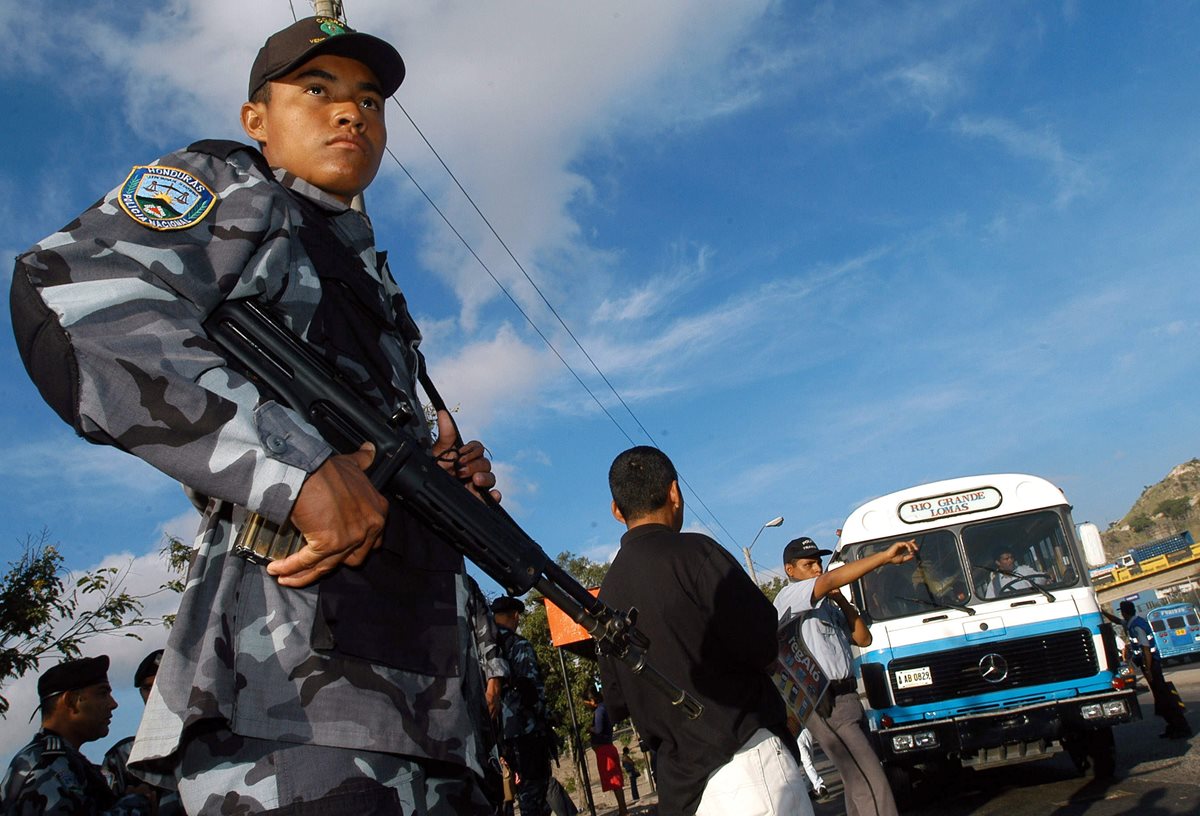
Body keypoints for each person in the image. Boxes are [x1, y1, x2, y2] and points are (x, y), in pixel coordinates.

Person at [11, 16, 499, 814]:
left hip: (426, 710)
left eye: (370, 101)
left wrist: (439, 489)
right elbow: (73, 293)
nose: (353, 114)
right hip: (291, 702)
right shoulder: (239, 190)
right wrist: (291, 467)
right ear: (256, 121)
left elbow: (359, 461)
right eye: (319, 90)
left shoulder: (363, 267)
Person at [596, 446, 810, 816]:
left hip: (680, 792)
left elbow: (615, 702)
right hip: (748, 767)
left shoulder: (607, 595)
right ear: (674, 493)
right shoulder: (696, 553)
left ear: (616, 510)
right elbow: (763, 642)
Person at [774, 536, 917, 816]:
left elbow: (863, 638)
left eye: (818, 563)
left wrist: (841, 601)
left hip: (849, 699)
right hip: (826, 702)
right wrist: (884, 558)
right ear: (790, 570)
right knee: (872, 783)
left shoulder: (826, 605)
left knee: (857, 787)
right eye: (808, 564)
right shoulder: (791, 596)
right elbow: (826, 582)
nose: (817, 569)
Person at [2, 656, 152, 815]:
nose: (113, 704)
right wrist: (138, 804)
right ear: (71, 702)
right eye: (102, 693)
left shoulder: (62, 761)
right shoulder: (47, 765)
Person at [492, 596, 553, 816]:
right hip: (526, 733)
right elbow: (531, 690)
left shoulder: (483, 648)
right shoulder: (519, 645)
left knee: (504, 798)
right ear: (515, 616)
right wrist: (546, 719)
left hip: (497, 739)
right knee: (533, 798)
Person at [100, 651, 181, 816]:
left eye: (162, 684)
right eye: (147, 688)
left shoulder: (209, 745)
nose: (153, 695)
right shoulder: (124, 756)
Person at [1120, 601, 1192, 739]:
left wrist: (1147, 670)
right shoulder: (1133, 622)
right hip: (1150, 665)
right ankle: (1172, 726)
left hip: (1152, 665)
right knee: (1160, 697)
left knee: (1164, 697)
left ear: (1124, 612)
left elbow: (1146, 650)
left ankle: (1181, 727)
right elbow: (1118, 621)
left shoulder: (1137, 626)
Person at [582, 688, 628, 816]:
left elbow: (598, 729)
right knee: (615, 781)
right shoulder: (604, 708)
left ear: (591, 701)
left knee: (614, 781)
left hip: (605, 750)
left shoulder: (599, 711)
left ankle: (623, 810)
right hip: (607, 748)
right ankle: (622, 809)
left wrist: (589, 728)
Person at [980, 549, 1044, 598]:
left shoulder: (1024, 570)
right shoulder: (994, 584)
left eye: (1011, 557)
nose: (1010, 560)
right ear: (998, 562)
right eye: (1006, 559)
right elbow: (991, 602)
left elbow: (1041, 579)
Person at [796, 726, 828, 800]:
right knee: (807, 762)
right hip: (794, 736)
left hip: (805, 729)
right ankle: (819, 786)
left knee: (810, 762)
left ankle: (808, 789)